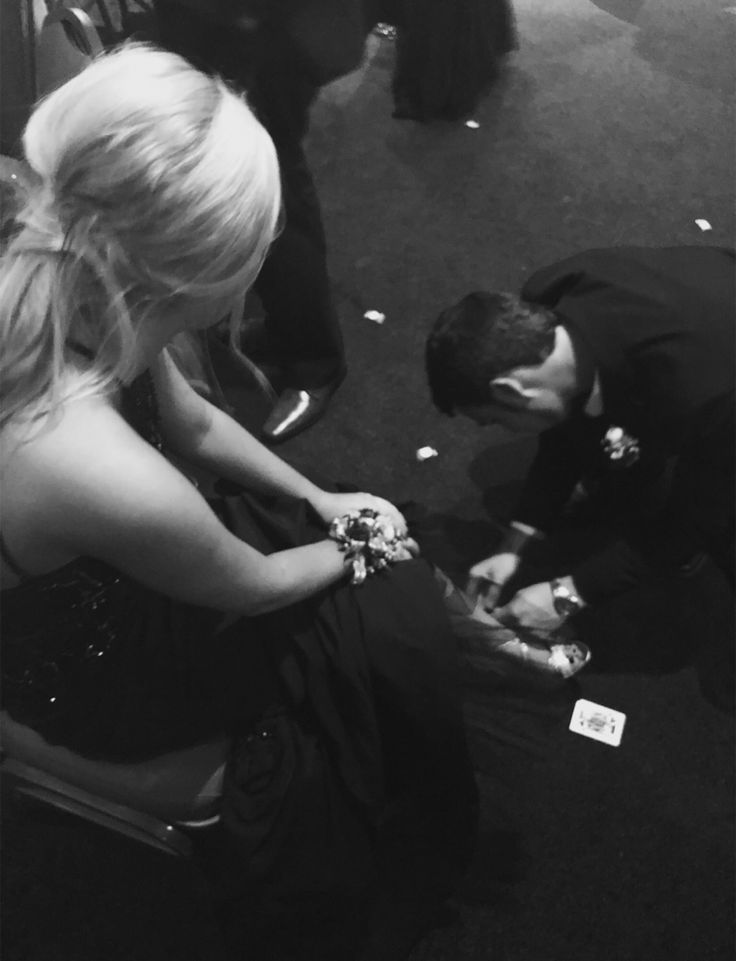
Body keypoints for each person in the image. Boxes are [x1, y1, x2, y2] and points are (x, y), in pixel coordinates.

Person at [0, 44, 486, 961]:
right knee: (360, 640)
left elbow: (194, 430)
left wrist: (324, 496)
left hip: (120, 565)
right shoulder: (96, 465)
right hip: (102, 669)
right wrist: (367, 536)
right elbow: (254, 586)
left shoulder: (77, 276)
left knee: (364, 597)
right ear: (198, 281)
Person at [426, 245, 735, 711]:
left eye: (494, 421)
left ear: (510, 391)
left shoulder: (700, 393)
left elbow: (698, 515)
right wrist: (516, 543)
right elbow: (564, 426)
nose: (503, 433)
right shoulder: (550, 297)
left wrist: (568, 593)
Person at [152, 0, 378, 443]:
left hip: (263, 29)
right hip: (224, 25)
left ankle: (316, 360)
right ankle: (288, 330)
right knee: (240, 171)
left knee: (270, 183)